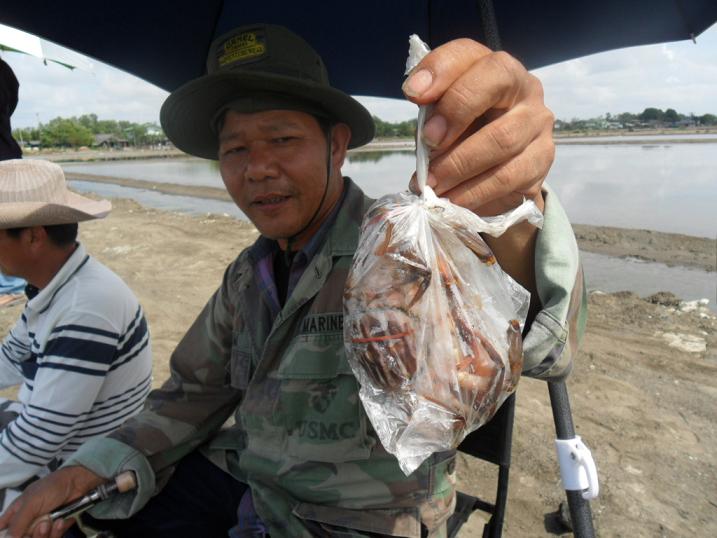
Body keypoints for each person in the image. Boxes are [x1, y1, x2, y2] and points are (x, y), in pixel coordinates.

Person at [0, 24, 585, 538]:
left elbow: (538, 338)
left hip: (363, 520)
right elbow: (192, 393)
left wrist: (515, 206)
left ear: (336, 147)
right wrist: (88, 467)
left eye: (282, 140)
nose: (257, 168)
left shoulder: (403, 252)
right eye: (235, 149)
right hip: (252, 490)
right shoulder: (246, 277)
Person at [0, 159, 153, 515]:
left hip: (80, 462)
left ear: (34, 235)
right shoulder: (54, 285)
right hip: (47, 431)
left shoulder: (86, 307)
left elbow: (37, 441)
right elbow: (10, 357)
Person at [0, 57, 27, 303]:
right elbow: (13, 102)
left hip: (3, 156)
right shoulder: (5, 69)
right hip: (7, 151)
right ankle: (11, 284)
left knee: (7, 223)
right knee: (10, 221)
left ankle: (11, 287)